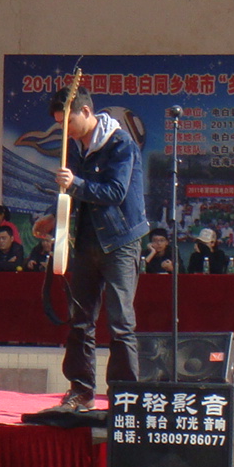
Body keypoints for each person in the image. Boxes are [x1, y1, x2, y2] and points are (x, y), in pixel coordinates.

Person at [47, 86, 147, 413]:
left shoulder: (121, 144)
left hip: (121, 240)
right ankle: (81, 389)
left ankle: (124, 396)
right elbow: (71, 192)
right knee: (80, 319)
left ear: (86, 112)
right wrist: (53, 215)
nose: (65, 130)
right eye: (60, 125)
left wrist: (74, 183)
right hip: (87, 239)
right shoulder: (75, 147)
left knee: (120, 321)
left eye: (68, 122)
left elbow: (116, 192)